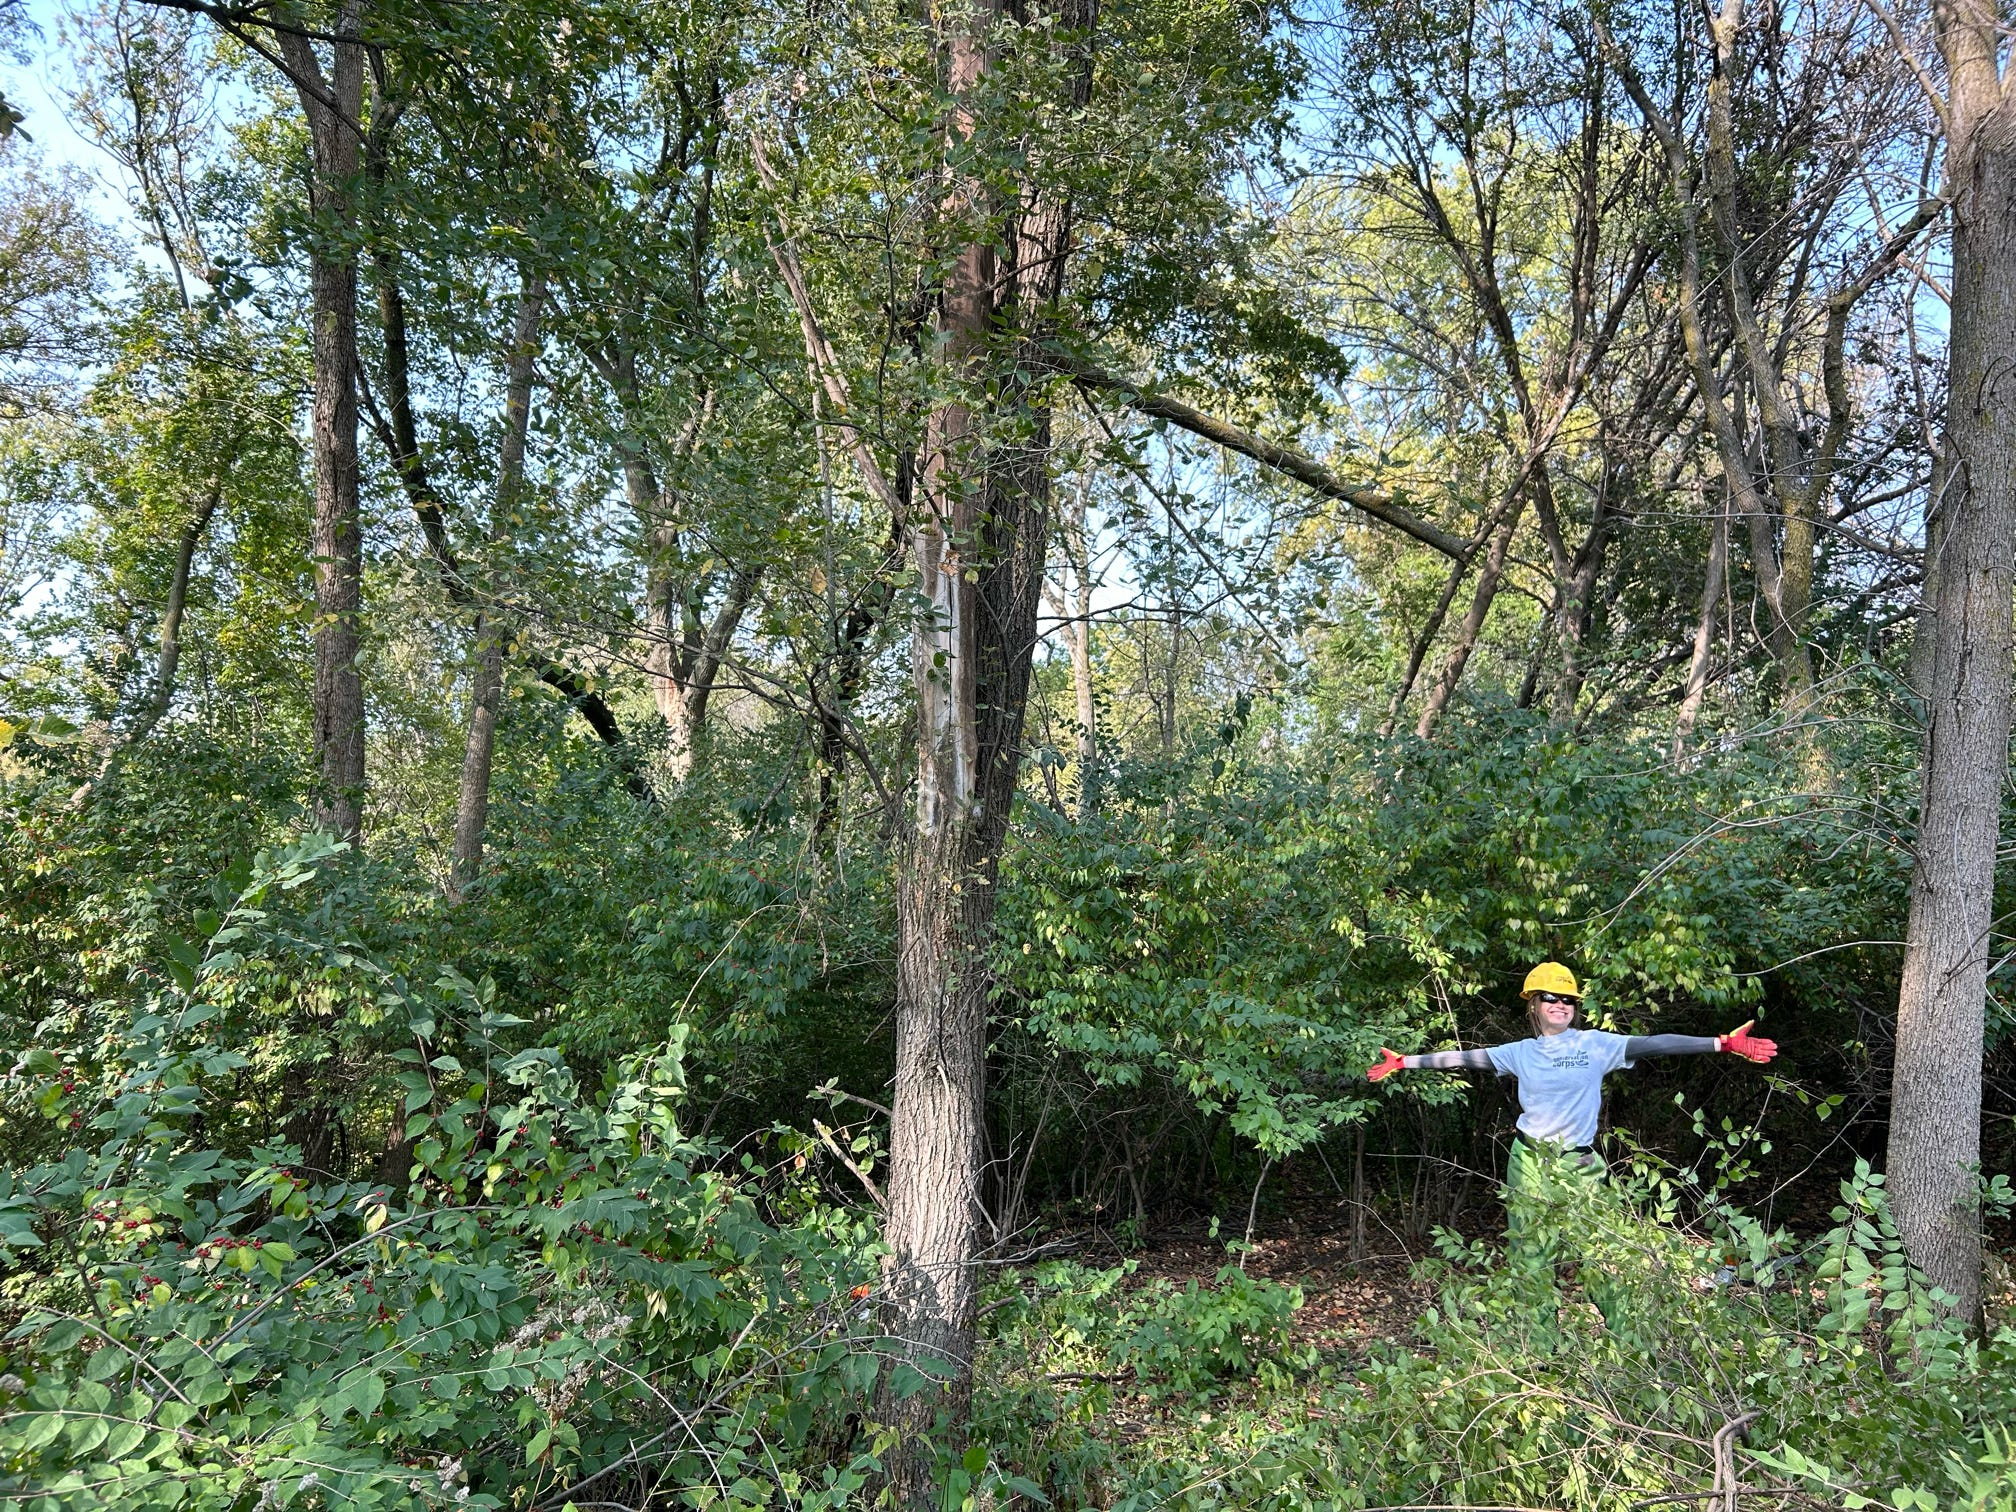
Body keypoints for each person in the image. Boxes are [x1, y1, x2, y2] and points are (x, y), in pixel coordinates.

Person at [1363, 961, 1778, 1338]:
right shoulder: (1519, 1053)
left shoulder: (1595, 1045)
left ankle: (1630, 1344)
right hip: (1529, 1162)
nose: (1560, 1004)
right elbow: (1463, 1058)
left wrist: (1720, 1044)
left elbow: (1655, 1043)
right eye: (1550, 998)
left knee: (1605, 1255)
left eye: (1567, 999)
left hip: (1581, 1164)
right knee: (1530, 1260)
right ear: (1534, 1005)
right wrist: (1405, 1062)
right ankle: (1542, 1355)